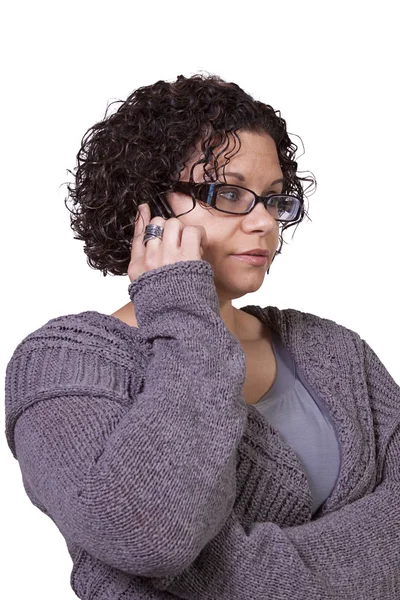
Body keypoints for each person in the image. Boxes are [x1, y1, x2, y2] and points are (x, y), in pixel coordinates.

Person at [4, 74, 400, 599]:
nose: (264, 222)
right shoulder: (62, 365)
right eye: (230, 193)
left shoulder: (334, 349)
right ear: (144, 207)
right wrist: (182, 314)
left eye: (275, 199)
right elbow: (148, 537)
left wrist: (236, 579)